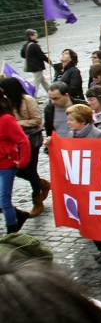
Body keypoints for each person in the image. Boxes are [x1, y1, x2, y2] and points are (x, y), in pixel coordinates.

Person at [0, 77, 47, 218]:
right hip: (13, 142)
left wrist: (16, 124)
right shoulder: (7, 103)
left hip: (31, 139)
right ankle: (42, 184)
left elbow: (37, 120)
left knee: (31, 169)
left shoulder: (28, 100)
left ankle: (37, 200)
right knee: (18, 170)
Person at [0, 88, 31, 234]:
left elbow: (23, 141)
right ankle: (19, 214)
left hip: (6, 165)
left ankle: (11, 232)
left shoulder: (6, 120)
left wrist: (23, 162)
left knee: (4, 200)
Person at [19, 29, 49, 96]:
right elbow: (41, 55)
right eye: (35, 35)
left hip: (32, 66)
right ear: (31, 36)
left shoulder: (25, 45)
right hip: (37, 66)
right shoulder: (35, 45)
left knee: (43, 81)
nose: (37, 36)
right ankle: (33, 96)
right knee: (36, 82)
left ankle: (50, 92)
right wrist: (49, 61)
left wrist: (30, 57)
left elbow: (22, 55)